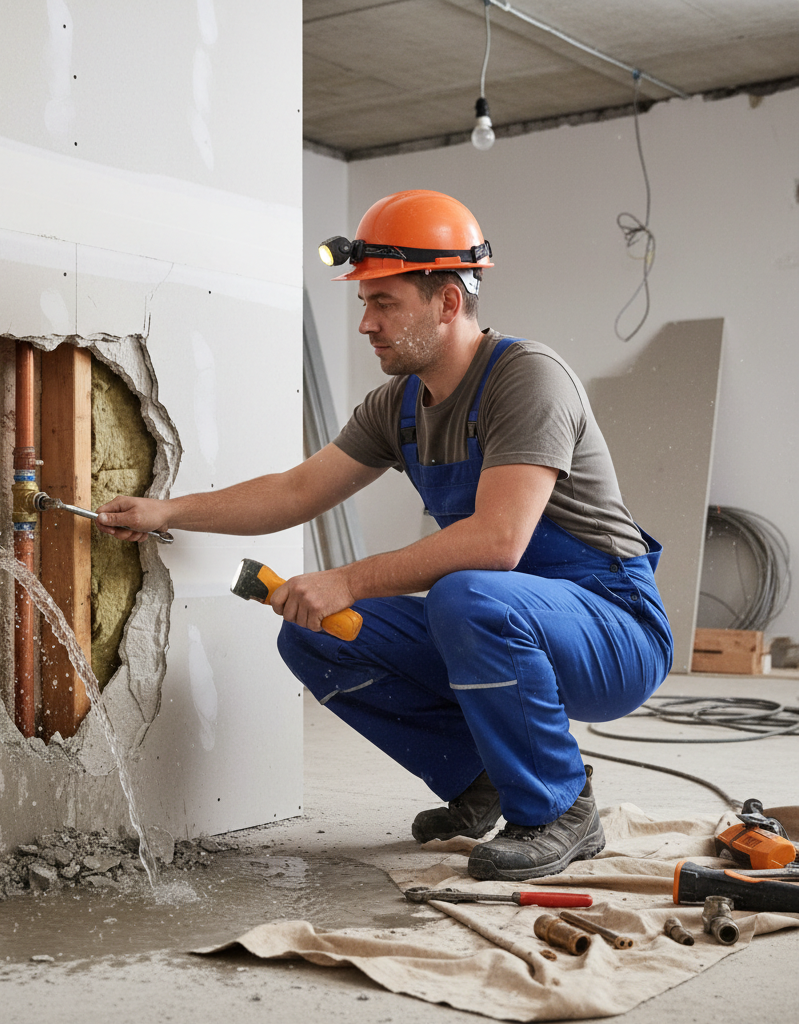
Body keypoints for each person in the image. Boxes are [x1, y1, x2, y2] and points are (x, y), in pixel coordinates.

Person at [96, 189, 673, 882]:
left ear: (449, 303)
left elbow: (499, 542)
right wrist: (166, 512)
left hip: (613, 624)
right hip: (506, 611)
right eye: (364, 303)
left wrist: (345, 577)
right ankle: (484, 778)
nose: (366, 323)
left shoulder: (526, 379)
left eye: (385, 303)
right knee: (318, 633)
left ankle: (560, 810)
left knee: (467, 593)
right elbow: (297, 490)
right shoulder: (398, 406)